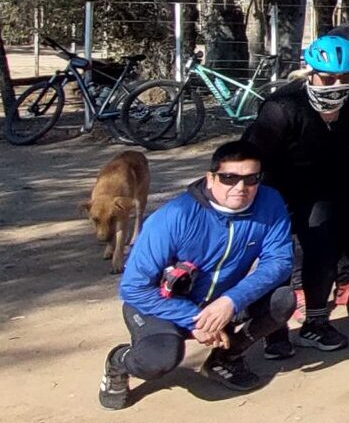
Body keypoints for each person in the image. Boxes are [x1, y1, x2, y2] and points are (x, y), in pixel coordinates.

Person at [99, 141, 294, 409]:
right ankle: (119, 361)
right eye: (229, 178)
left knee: (282, 300)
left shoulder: (269, 202)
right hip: (160, 305)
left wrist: (231, 301)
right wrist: (193, 320)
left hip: (220, 301)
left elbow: (280, 261)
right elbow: (134, 288)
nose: (241, 187)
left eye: (252, 178)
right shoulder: (173, 217)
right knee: (159, 360)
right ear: (210, 178)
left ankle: (225, 358)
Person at [243, 36, 349, 356]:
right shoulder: (281, 108)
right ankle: (273, 331)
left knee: (323, 248)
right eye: (328, 78)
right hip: (276, 188)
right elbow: (253, 156)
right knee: (278, 256)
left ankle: (316, 323)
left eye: (346, 78)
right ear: (311, 74)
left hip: (323, 188)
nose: (336, 85)